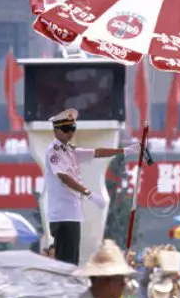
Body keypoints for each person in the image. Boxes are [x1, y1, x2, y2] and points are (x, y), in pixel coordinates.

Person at [43, 108, 139, 265]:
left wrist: (123, 151)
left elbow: (96, 152)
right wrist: (89, 193)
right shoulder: (54, 152)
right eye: (66, 129)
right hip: (62, 214)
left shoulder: (69, 150)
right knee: (66, 263)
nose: (70, 133)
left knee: (72, 261)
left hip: (72, 213)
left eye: (72, 129)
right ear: (56, 130)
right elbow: (64, 178)